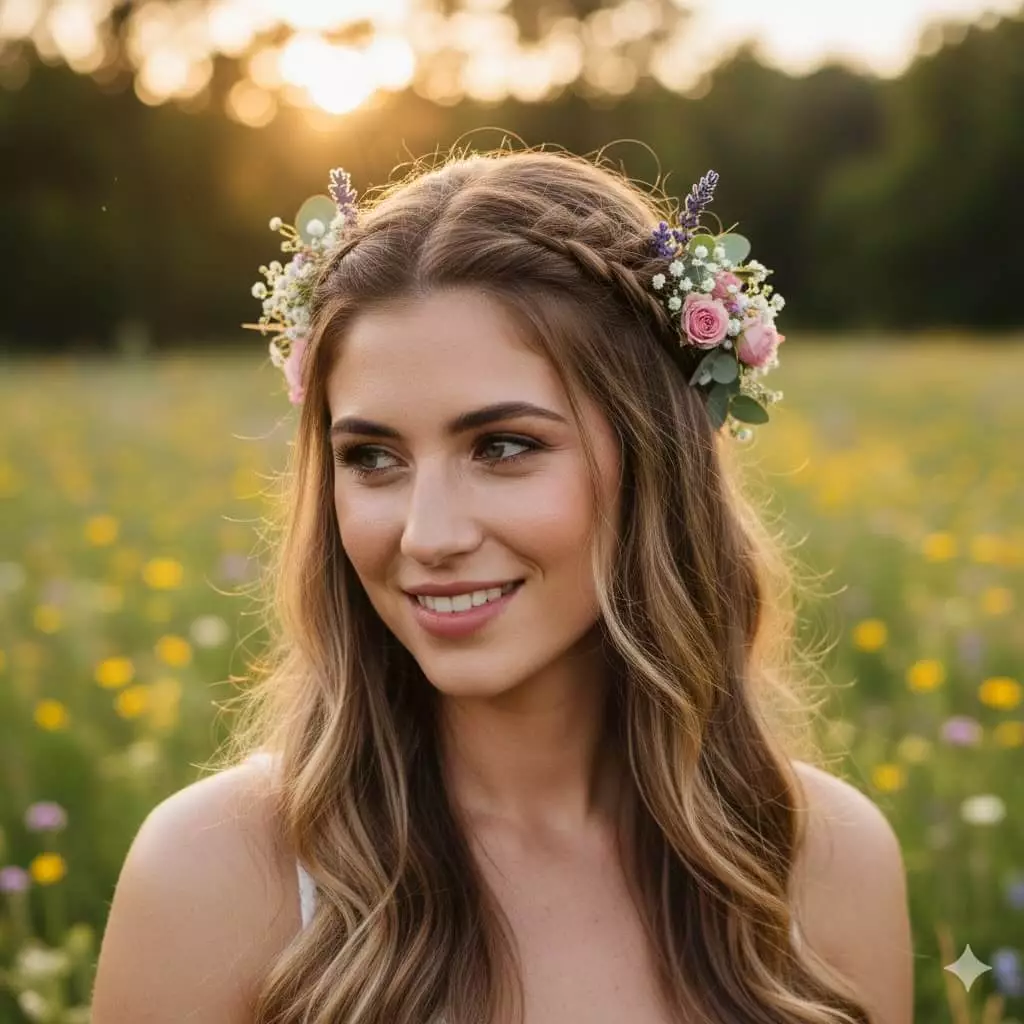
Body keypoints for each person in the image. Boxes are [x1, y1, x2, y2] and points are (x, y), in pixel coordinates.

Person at [90, 146, 914, 1024]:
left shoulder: (824, 865)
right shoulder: (216, 877)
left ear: (657, 462)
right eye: (372, 458)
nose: (428, 535)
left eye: (503, 446)